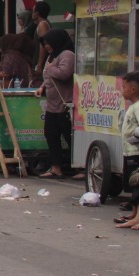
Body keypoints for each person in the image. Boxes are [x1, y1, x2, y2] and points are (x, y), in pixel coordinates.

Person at [113, 72, 139, 228]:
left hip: (136, 152)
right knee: (131, 183)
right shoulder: (133, 106)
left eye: (123, 87)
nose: (121, 91)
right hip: (129, 151)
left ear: (132, 89)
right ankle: (135, 213)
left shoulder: (138, 107)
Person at [36, 27, 78, 179]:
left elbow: (65, 74)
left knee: (69, 135)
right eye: (45, 43)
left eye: (49, 43)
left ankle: (80, 167)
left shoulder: (67, 55)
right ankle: (56, 167)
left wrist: (51, 68)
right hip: (52, 105)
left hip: (65, 104)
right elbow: (48, 77)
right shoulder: (52, 56)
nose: (47, 46)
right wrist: (41, 87)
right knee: (51, 134)